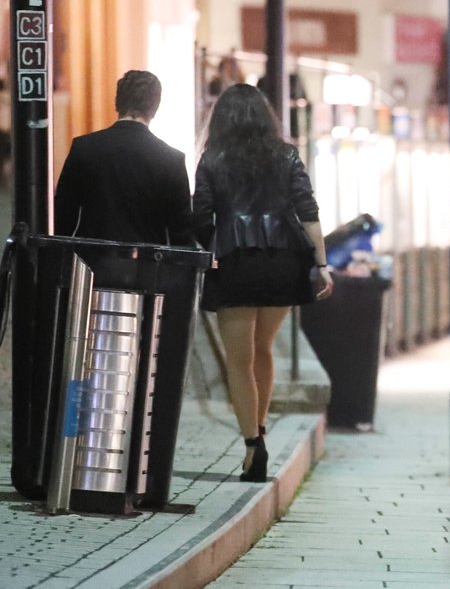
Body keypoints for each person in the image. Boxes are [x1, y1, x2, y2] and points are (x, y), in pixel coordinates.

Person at [193, 83, 334, 482]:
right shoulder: (287, 154)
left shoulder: (212, 159)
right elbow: (308, 212)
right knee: (264, 349)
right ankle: (262, 428)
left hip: (234, 263)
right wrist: (321, 265)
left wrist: (210, 249)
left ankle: (253, 444)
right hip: (281, 263)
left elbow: (201, 216)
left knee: (238, 361)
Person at [54, 69, 193, 246]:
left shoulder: (84, 148)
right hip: (147, 266)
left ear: (117, 103)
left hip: (92, 263)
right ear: (155, 108)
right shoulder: (172, 160)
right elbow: (181, 234)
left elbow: (63, 218)